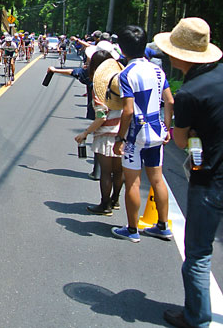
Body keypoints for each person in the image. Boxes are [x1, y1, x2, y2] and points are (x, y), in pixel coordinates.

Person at [153, 18, 223, 328]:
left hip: (209, 180)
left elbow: (180, 141)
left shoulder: (190, 92)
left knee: (198, 254)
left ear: (181, 56)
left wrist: (173, 118)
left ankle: (196, 317)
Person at [111, 25, 174, 243]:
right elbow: (170, 100)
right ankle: (163, 226)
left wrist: (119, 138)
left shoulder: (126, 74)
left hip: (136, 135)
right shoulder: (158, 70)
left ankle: (132, 229)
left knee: (133, 182)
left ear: (123, 48)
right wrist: (166, 128)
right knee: (157, 179)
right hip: (157, 130)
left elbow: (127, 110)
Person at [77, 54, 124, 215]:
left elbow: (101, 116)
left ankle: (105, 205)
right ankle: (115, 200)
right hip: (122, 132)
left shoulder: (100, 88)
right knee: (118, 171)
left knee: (106, 172)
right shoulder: (121, 83)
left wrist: (85, 133)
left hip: (106, 135)